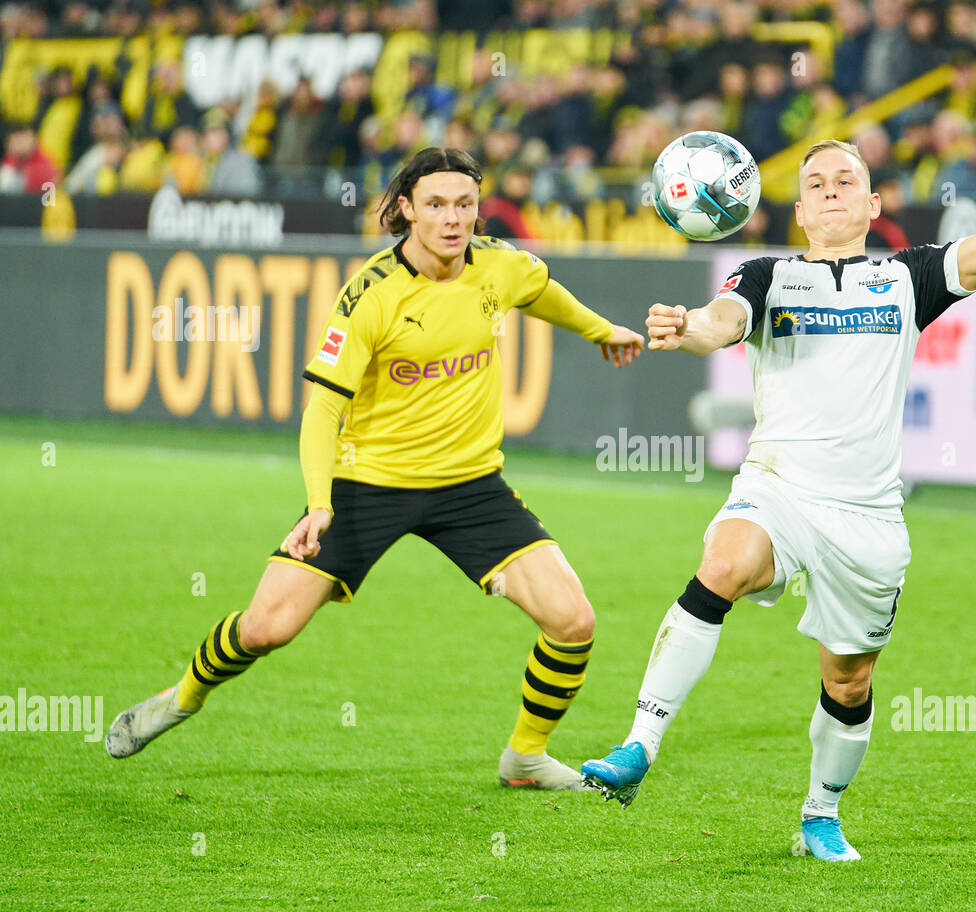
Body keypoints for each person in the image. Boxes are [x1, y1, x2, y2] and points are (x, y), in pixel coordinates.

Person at [581, 116, 976, 861]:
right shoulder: (767, 275)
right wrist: (685, 325)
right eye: (815, 184)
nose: (831, 191)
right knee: (723, 563)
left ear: (873, 202)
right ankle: (639, 746)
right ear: (801, 213)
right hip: (779, 485)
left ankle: (820, 813)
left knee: (847, 681)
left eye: (846, 179)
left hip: (867, 512)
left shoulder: (910, 277)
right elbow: (723, 323)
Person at [106, 147, 646, 791]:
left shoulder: (500, 266)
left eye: (465, 204)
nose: (453, 219)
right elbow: (322, 408)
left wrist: (600, 330)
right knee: (265, 628)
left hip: (470, 486)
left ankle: (525, 757)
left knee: (573, 619)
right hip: (367, 485)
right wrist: (317, 502)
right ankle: (182, 698)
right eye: (437, 205)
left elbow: (541, 291)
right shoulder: (370, 294)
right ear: (406, 210)